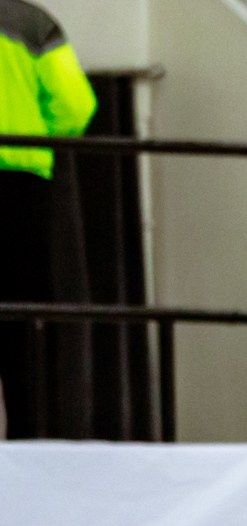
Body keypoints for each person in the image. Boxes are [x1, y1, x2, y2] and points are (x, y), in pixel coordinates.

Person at [0, 0, 94, 439]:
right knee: (23, 327)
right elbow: (76, 106)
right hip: (21, 186)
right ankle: (27, 447)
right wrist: (40, 136)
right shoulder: (32, 22)